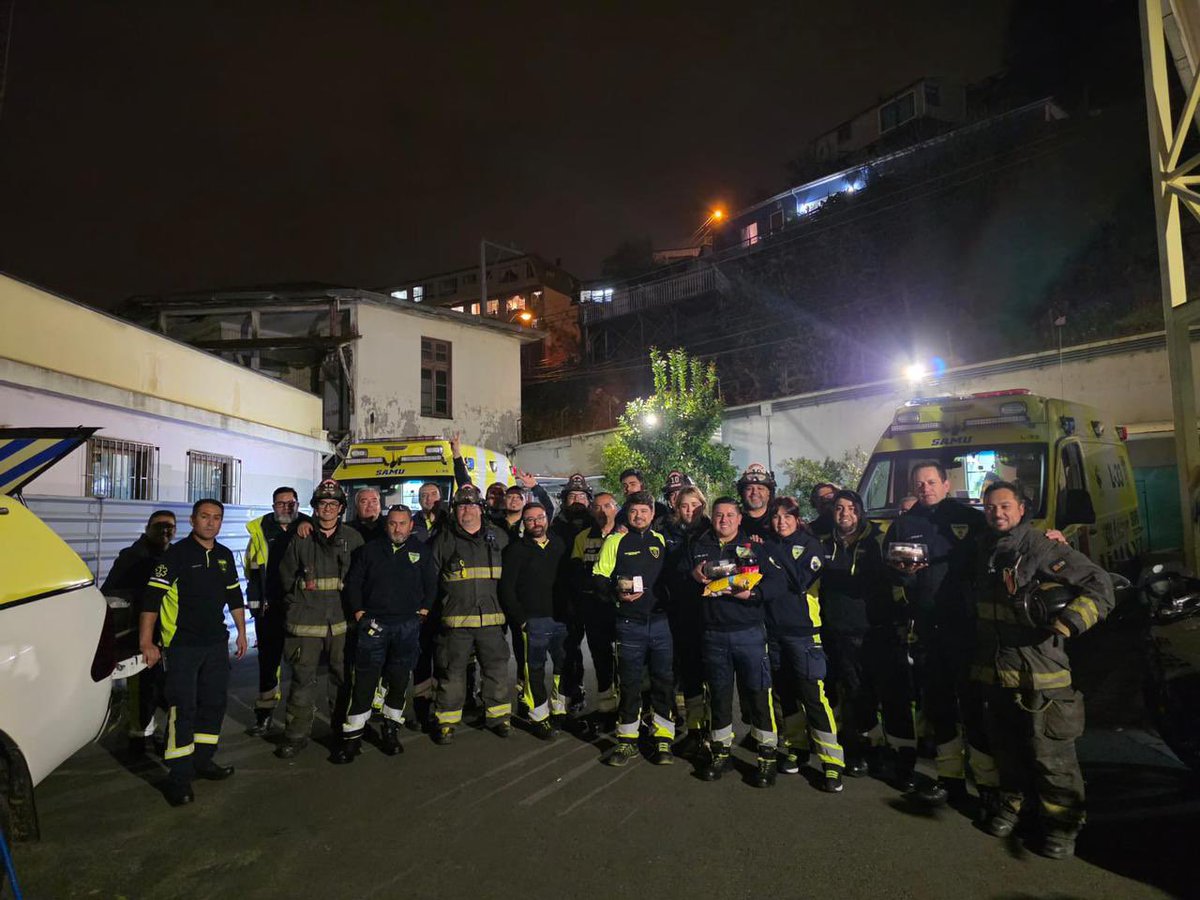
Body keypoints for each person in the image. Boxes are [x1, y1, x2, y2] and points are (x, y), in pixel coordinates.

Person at [973, 481, 1114, 860]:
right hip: (997, 675)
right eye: (989, 507)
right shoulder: (984, 550)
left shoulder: (1042, 547)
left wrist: (1067, 623)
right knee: (1007, 752)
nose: (996, 512)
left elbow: (1100, 587)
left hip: (1042, 677)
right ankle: (1014, 807)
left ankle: (1063, 826)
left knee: (1051, 757)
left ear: (1022, 509)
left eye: (1005, 506)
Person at [884, 461, 996, 807]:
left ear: (946, 484)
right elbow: (891, 569)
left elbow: (1001, 547)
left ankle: (989, 784)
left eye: (932, 482)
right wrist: (903, 575)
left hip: (967, 628)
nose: (926, 488)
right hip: (928, 630)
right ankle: (950, 778)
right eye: (919, 484)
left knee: (974, 706)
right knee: (939, 705)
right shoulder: (903, 523)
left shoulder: (972, 519)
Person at [139, 500, 247, 807]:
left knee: (213, 704)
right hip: (182, 647)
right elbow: (151, 601)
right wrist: (147, 643)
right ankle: (179, 777)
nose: (211, 523)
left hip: (216, 644)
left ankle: (203, 761)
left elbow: (234, 596)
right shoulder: (175, 556)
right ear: (192, 520)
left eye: (216, 518)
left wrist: (240, 632)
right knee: (182, 710)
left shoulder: (225, 556)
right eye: (204, 517)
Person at [820, 489, 916, 790]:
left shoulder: (879, 538)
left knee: (893, 695)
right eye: (838, 507)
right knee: (857, 694)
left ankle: (903, 759)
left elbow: (903, 576)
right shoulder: (822, 542)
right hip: (842, 632)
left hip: (880, 630)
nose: (844, 513)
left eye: (851, 507)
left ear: (860, 511)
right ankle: (868, 750)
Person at [333, 505, 436, 763]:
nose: (397, 528)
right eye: (392, 523)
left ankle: (391, 731)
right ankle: (352, 738)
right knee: (365, 682)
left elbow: (431, 585)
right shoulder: (369, 551)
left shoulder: (421, 552)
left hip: (407, 627)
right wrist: (359, 613)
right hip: (374, 625)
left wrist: (422, 613)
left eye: (402, 523)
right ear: (385, 524)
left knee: (399, 681)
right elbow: (354, 583)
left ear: (411, 526)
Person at [689, 498, 779, 787]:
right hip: (713, 634)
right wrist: (692, 575)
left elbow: (775, 584)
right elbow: (680, 579)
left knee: (757, 695)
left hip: (748, 632)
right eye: (718, 515)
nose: (724, 520)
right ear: (712, 518)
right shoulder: (698, 546)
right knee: (719, 695)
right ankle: (721, 753)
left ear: (740, 519)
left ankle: (767, 759)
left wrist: (752, 596)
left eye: (730, 515)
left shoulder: (755, 547)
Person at [760, 495, 846, 792]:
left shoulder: (811, 546)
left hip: (804, 633)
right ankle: (797, 748)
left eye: (787, 516)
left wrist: (773, 553)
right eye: (775, 517)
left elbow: (799, 580)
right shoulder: (766, 545)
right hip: (773, 633)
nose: (781, 522)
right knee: (785, 694)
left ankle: (832, 761)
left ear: (798, 518)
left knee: (813, 696)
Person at [275, 479, 365, 759]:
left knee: (342, 681)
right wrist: (296, 607)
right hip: (306, 623)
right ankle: (295, 735)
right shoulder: (301, 537)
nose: (327, 509)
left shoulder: (353, 539)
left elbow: (362, 580)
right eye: (322, 504)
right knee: (302, 681)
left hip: (341, 624)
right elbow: (286, 577)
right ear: (315, 508)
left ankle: (341, 734)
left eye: (333, 504)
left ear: (340, 509)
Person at [593, 491, 673, 766]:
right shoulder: (615, 541)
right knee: (629, 682)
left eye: (644, 511)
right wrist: (617, 595)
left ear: (652, 514)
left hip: (661, 623)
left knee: (663, 681)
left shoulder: (661, 541)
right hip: (629, 624)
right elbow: (600, 578)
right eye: (634, 511)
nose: (639, 516)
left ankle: (663, 738)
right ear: (627, 513)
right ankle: (627, 741)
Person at [429, 484, 512, 744]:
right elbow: (431, 580)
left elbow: (511, 578)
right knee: (451, 672)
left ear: (481, 509)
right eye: (461, 506)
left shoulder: (499, 537)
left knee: (496, 669)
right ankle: (447, 721)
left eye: (472, 505)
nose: (467, 510)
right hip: (455, 622)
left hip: (492, 620)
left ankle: (499, 717)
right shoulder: (443, 540)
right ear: (454, 511)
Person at [103, 509, 176, 757]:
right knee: (143, 687)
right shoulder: (132, 557)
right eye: (160, 526)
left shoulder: (173, 556)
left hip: (166, 633)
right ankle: (139, 741)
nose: (166, 531)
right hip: (140, 635)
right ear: (147, 528)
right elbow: (113, 594)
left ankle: (151, 736)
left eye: (170, 527)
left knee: (161, 686)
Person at [500, 501, 570, 739]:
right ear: (524, 523)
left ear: (547, 518)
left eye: (539, 518)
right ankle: (539, 716)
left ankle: (559, 710)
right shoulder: (515, 550)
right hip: (533, 621)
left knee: (563, 668)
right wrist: (521, 620)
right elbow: (507, 589)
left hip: (560, 619)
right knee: (534, 671)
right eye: (529, 520)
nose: (536, 523)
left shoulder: (560, 544)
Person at [244, 487, 308, 737]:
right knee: (268, 664)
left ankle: (298, 718)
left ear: (298, 504)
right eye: (280, 504)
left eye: (290, 503)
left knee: (302, 665)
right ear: (273, 506)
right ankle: (265, 715)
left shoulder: (308, 526)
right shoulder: (261, 529)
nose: (286, 508)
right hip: (270, 608)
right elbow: (252, 567)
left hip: (301, 607)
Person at [660, 484, 710, 757]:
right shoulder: (667, 533)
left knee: (713, 676)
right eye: (684, 506)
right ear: (676, 508)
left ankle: (713, 730)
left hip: (711, 613)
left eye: (695, 505)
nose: (690, 511)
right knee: (688, 674)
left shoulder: (714, 531)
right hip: (679, 613)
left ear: (704, 505)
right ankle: (694, 729)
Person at [569, 491, 621, 730]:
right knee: (601, 659)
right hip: (594, 608)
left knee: (626, 660)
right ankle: (606, 708)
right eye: (598, 508)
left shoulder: (627, 535)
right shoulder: (582, 537)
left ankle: (630, 709)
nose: (602, 512)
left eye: (607, 506)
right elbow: (576, 573)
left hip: (622, 608)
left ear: (616, 508)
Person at [552, 473, 597, 717]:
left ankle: (611, 701)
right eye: (572, 496)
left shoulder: (598, 524)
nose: (577, 499)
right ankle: (574, 693)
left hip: (598, 599)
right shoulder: (556, 526)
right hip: (568, 598)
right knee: (570, 650)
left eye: (581, 495)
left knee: (604, 652)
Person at [736, 463, 775, 541]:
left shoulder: (779, 520)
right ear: (742, 493)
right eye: (749, 489)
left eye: (760, 488)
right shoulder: (733, 520)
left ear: (769, 493)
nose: (755, 492)